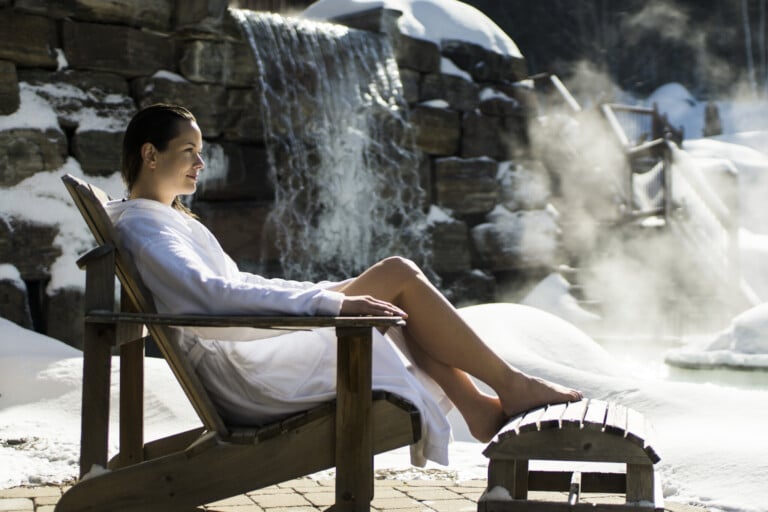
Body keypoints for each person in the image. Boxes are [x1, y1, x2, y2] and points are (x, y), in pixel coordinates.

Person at [108, 103, 581, 467]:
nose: (200, 162)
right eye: (188, 151)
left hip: (249, 349)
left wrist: (327, 291)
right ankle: (504, 389)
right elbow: (212, 297)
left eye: (200, 152)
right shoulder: (149, 229)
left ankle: (480, 404)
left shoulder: (165, 221)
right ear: (151, 154)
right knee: (397, 276)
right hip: (247, 373)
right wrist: (326, 303)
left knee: (393, 282)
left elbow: (235, 283)